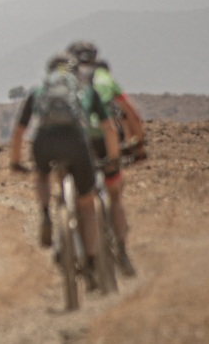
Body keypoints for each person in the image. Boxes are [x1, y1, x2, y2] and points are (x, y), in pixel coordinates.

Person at [7, 53, 109, 287]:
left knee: (42, 175)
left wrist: (15, 162)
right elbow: (108, 129)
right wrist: (112, 158)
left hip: (45, 143)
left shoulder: (39, 91)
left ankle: (45, 214)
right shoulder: (84, 91)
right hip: (76, 143)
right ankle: (91, 261)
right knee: (87, 205)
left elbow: (19, 132)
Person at [68, 41, 146, 275]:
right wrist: (138, 145)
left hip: (75, 141)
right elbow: (131, 114)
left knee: (81, 194)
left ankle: (76, 243)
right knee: (115, 194)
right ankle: (121, 250)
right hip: (106, 139)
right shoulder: (105, 77)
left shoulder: (67, 78)